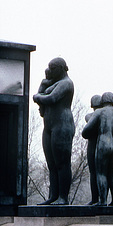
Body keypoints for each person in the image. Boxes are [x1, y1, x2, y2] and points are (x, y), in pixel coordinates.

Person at [32, 58, 75, 205]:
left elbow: (51, 98)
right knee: (51, 164)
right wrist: (43, 85)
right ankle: (53, 196)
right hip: (49, 126)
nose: (49, 70)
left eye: (52, 68)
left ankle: (63, 197)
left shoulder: (66, 84)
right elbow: (43, 109)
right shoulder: (52, 83)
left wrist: (38, 96)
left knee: (62, 163)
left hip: (62, 126)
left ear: (61, 68)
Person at [82, 92, 113, 206]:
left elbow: (85, 131)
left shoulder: (99, 112)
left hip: (103, 144)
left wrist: (100, 131)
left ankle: (102, 201)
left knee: (101, 173)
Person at [85, 94, 103, 205]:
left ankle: (97, 199)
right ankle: (97, 199)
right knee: (99, 173)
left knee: (96, 173)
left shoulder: (91, 116)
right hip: (97, 145)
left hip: (94, 146)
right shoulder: (91, 116)